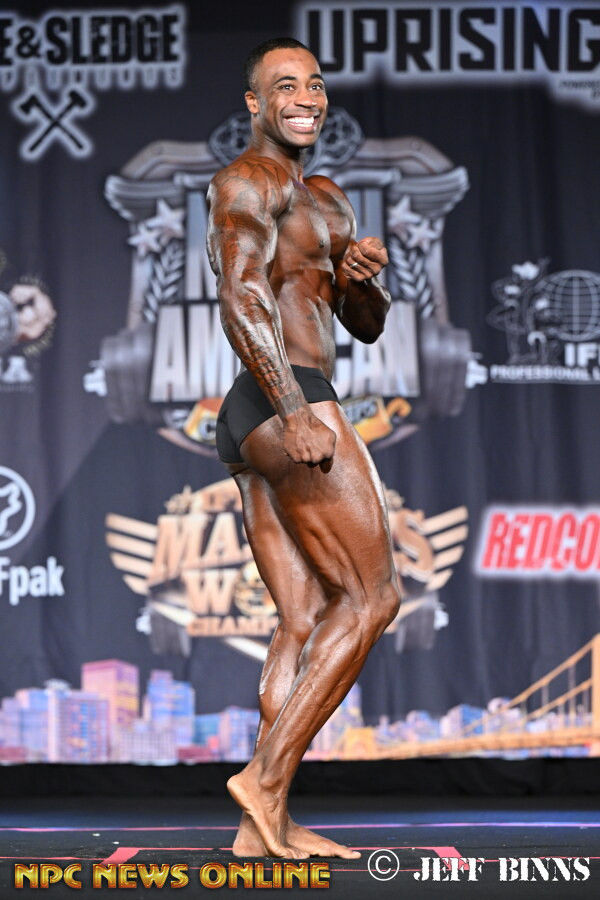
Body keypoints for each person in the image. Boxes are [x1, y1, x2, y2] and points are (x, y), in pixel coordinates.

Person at [207, 37, 401, 860]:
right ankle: (264, 780)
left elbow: (363, 326)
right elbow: (241, 293)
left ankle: (263, 829)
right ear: (256, 103)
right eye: (284, 86)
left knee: (303, 619)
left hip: (266, 407)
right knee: (373, 597)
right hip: (284, 397)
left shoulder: (328, 199)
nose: (305, 98)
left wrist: (360, 280)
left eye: (314, 85)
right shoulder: (247, 181)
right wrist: (294, 408)